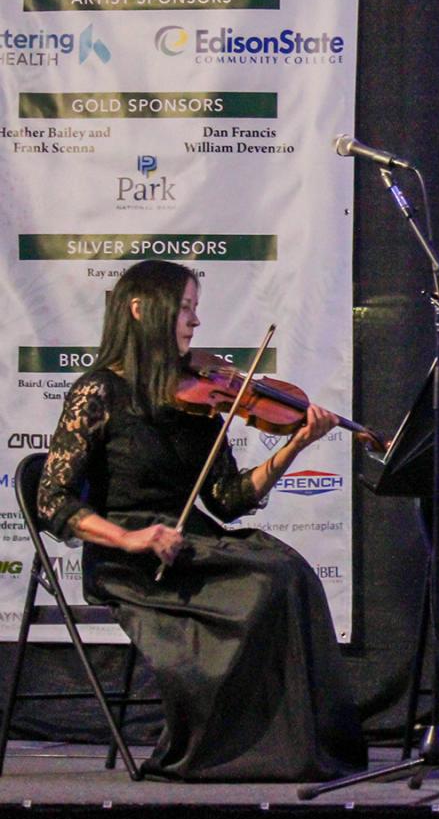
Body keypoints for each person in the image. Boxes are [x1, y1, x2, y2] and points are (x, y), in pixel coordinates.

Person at [36, 260, 366, 782]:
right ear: (142, 310)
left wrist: (296, 444)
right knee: (266, 581)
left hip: (194, 542)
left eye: (195, 310)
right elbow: (51, 500)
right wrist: (130, 537)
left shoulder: (198, 401)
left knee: (291, 572)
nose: (194, 323)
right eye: (184, 309)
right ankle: (228, 751)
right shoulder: (97, 392)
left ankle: (299, 749)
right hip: (131, 558)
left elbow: (229, 499)